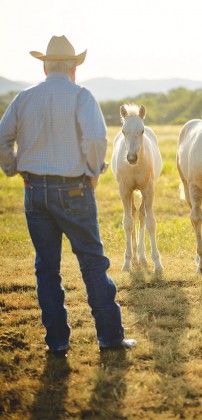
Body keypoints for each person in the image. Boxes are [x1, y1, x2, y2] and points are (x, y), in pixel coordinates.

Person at [0, 35, 136, 357]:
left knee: (47, 268)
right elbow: (96, 138)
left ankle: (57, 342)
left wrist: (14, 168)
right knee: (92, 263)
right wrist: (92, 170)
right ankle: (110, 338)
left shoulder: (24, 97)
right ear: (74, 67)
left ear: (46, 66)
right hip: (74, 188)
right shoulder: (81, 96)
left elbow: (2, 137)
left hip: (34, 190)